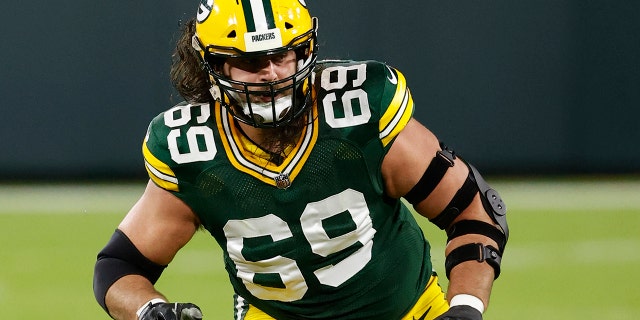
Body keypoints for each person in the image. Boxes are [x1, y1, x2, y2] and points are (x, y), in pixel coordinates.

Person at [93, 1, 509, 319]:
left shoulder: (357, 113)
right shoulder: (192, 149)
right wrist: (149, 310)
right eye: (251, 62)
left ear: (305, 52)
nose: (271, 74)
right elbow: (118, 267)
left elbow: (474, 212)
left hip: (408, 312)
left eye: (283, 55)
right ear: (212, 66)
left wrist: (466, 308)